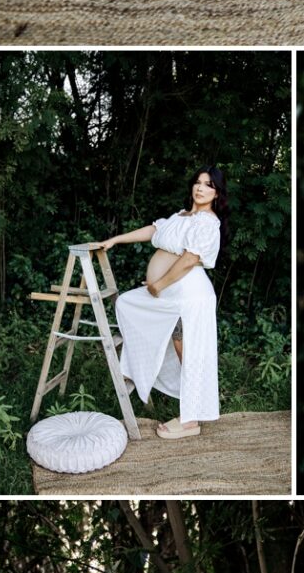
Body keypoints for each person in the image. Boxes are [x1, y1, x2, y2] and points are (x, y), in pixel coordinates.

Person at [93, 168, 226, 441]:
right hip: (170, 293)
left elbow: (190, 259)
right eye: (198, 183)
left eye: (208, 185)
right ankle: (135, 368)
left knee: (187, 352)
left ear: (217, 193)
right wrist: (116, 239)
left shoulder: (208, 222)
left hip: (187, 296)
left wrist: (158, 284)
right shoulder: (181, 216)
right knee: (129, 303)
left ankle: (190, 419)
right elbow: (154, 229)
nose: (200, 189)